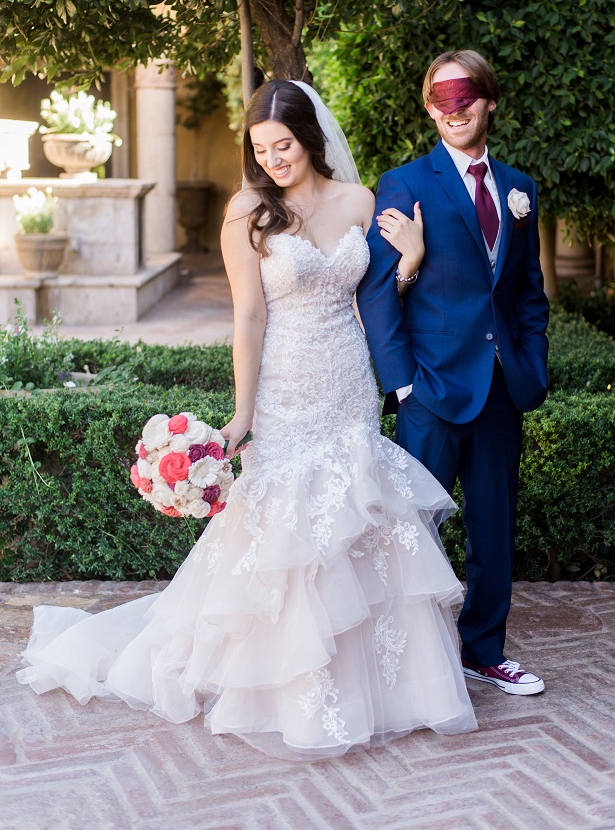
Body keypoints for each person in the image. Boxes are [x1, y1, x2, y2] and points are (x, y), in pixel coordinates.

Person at [16, 79, 477, 760]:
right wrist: (243, 413)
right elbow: (249, 317)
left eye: (282, 145)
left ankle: (378, 683)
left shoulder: (358, 201)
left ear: (309, 138)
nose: (272, 160)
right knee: (284, 530)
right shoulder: (247, 212)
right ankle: (283, 685)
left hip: (348, 383)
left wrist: (408, 262)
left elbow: (377, 303)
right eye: (260, 150)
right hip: (284, 388)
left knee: (353, 517)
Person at [356, 51, 550, 696]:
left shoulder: (520, 188)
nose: (454, 109)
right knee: (415, 532)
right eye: (441, 99)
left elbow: (528, 292)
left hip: (501, 389)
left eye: (465, 97)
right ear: (428, 108)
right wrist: (403, 384)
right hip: (431, 391)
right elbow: (378, 291)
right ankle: (413, 662)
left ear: (489, 100)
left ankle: (484, 652)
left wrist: (531, 363)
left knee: (494, 532)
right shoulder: (405, 182)